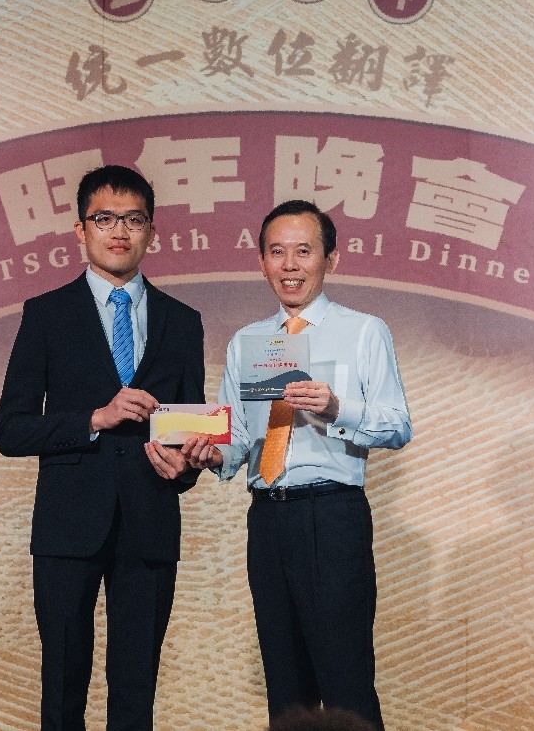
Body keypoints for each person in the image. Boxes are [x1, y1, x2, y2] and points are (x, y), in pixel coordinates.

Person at [0, 165, 209, 731]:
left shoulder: (183, 322)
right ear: (80, 229)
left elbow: (189, 431)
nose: (120, 231)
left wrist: (187, 466)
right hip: (68, 526)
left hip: (149, 523)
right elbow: (10, 429)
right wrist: (95, 418)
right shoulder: (46, 314)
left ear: (152, 232)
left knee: (136, 691)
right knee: (63, 686)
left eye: (134, 219)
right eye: (105, 218)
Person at [189, 200, 412, 731]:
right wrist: (208, 453)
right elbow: (236, 438)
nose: (289, 265)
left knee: (345, 682)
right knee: (285, 689)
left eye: (304, 251)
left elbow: (398, 425)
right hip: (267, 518)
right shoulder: (246, 342)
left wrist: (336, 407)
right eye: (277, 252)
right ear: (261, 262)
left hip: (331, 516)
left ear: (330, 259)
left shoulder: (364, 331)